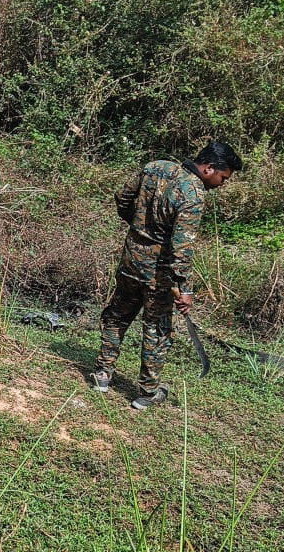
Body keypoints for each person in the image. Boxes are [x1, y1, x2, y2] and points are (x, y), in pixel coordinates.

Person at [92, 141, 242, 410]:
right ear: (209, 168)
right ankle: (147, 393)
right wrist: (185, 289)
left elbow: (122, 198)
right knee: (157, 329)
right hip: (158, 276)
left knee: (118, 314)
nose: (222, 184)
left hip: (131, 260)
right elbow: (181, 249)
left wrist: (139, 230)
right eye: (223, 177)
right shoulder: (193, 194)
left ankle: (102, 374)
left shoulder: (155, 167)